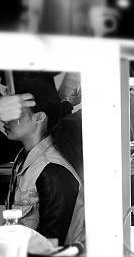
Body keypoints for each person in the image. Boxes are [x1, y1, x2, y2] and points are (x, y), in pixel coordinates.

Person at [3, 77, 85, 246]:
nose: (5, 119)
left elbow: (49, 246)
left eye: (15, 113)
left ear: (39, 117)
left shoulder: (52, 170)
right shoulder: (24, 158)